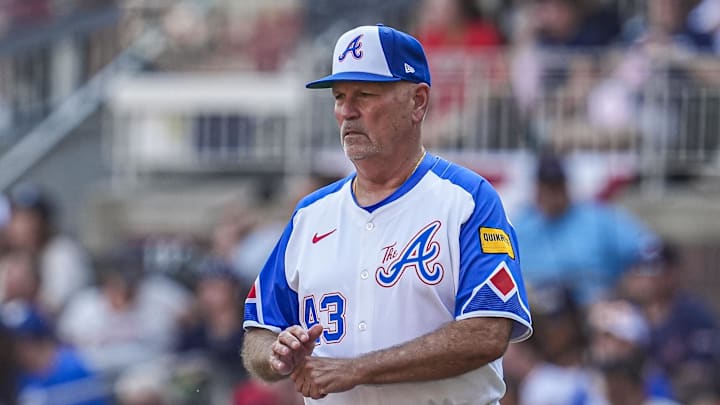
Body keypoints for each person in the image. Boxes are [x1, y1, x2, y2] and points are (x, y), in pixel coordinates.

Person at [241, 24, 532, 404]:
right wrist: (277, 353)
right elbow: (258, 333)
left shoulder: (467, 200)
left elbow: (488, 332)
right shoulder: (311, 214)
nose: (347, 111)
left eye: (365, 94)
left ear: (417, 102)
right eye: (339, 96)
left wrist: (357, 369)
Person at [513, 153, 658, 306]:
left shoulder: (597, 219)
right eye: (546, 187)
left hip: (593, 304)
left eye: (557, 187)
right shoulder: (520, 225)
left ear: (567, 186)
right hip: (538, 308)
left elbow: (649, 247)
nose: (552, 194)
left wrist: (632, 280)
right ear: (537, 188)